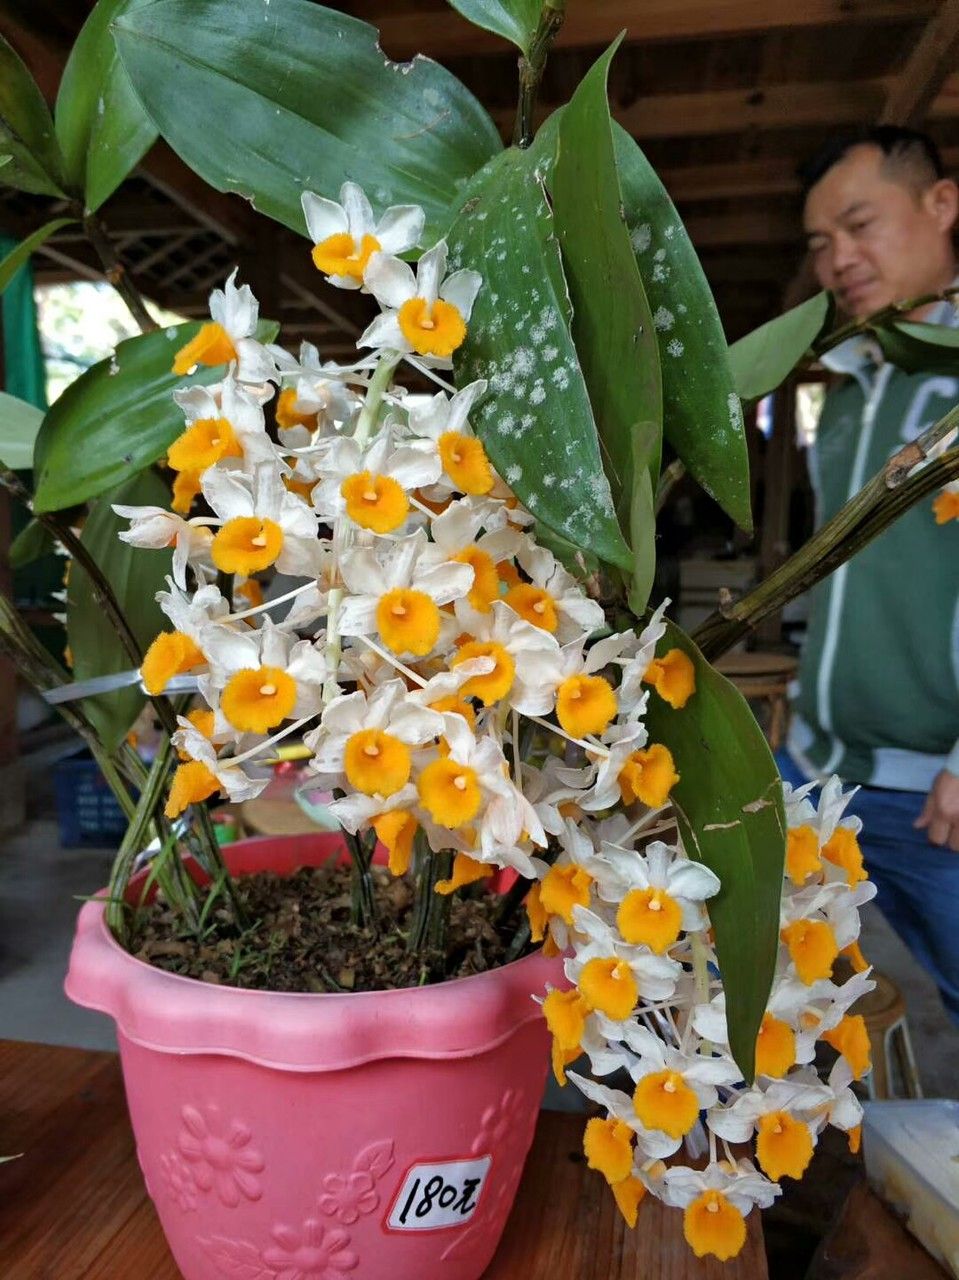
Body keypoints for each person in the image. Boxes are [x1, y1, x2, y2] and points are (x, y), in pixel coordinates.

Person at [782, 125, 959, 1025]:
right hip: (812, 770)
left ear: (941, 203)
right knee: (765, 991)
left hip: (936, 793)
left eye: (859, 226)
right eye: (819, 245)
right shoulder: (846, 392)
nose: (837, 260)